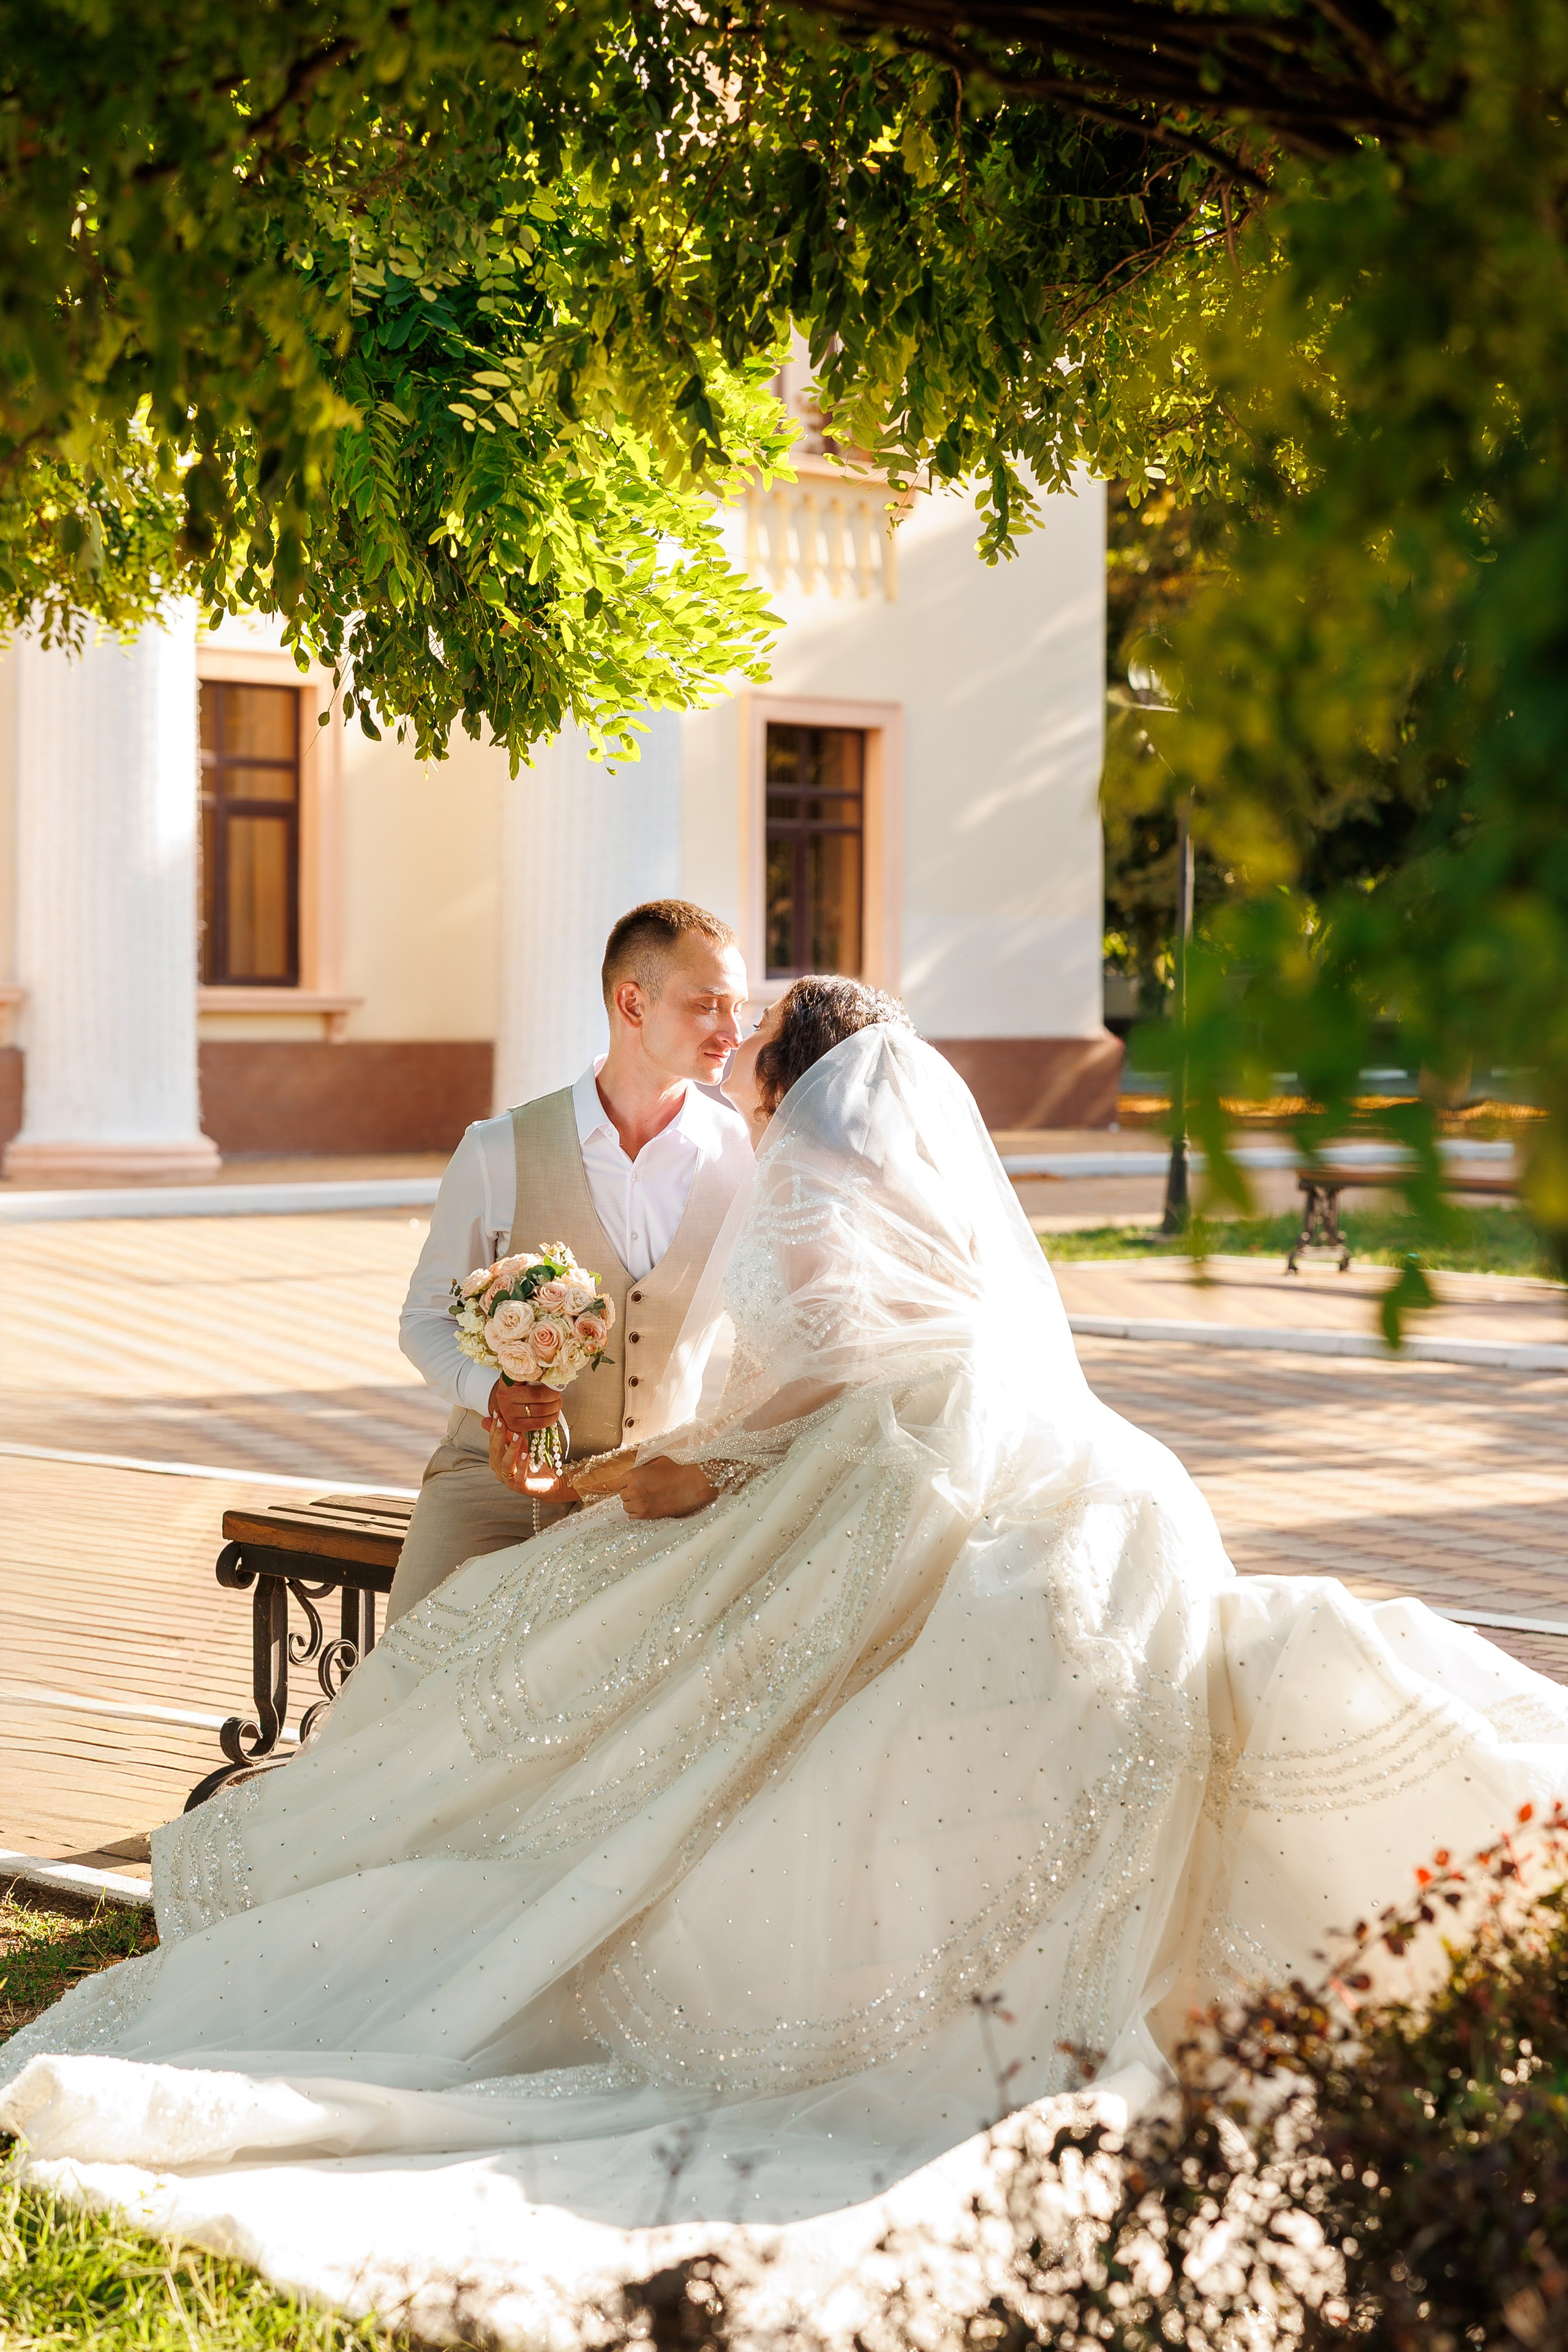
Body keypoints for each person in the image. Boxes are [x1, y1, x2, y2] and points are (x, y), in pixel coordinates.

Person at [7, 981, 1568, 2342]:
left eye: (760, 1083)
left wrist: (656, 1469)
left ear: (799, 1097)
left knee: (589, 1644)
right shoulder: (909, 1198)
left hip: (887, 1468)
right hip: (1063, 1472)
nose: (746, 1103)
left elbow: (807, 1390)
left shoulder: (808, 1198)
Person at [388, 899, 755, 1623]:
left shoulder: (744, 1157)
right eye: (707, 1004)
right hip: (489, 1485)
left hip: (647, 1494)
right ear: (632, 1003)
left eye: (738, 1008)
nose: (732, 1031)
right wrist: (491, 1390)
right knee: (404, 1671)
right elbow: (423, 1318)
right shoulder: (497, 1150)